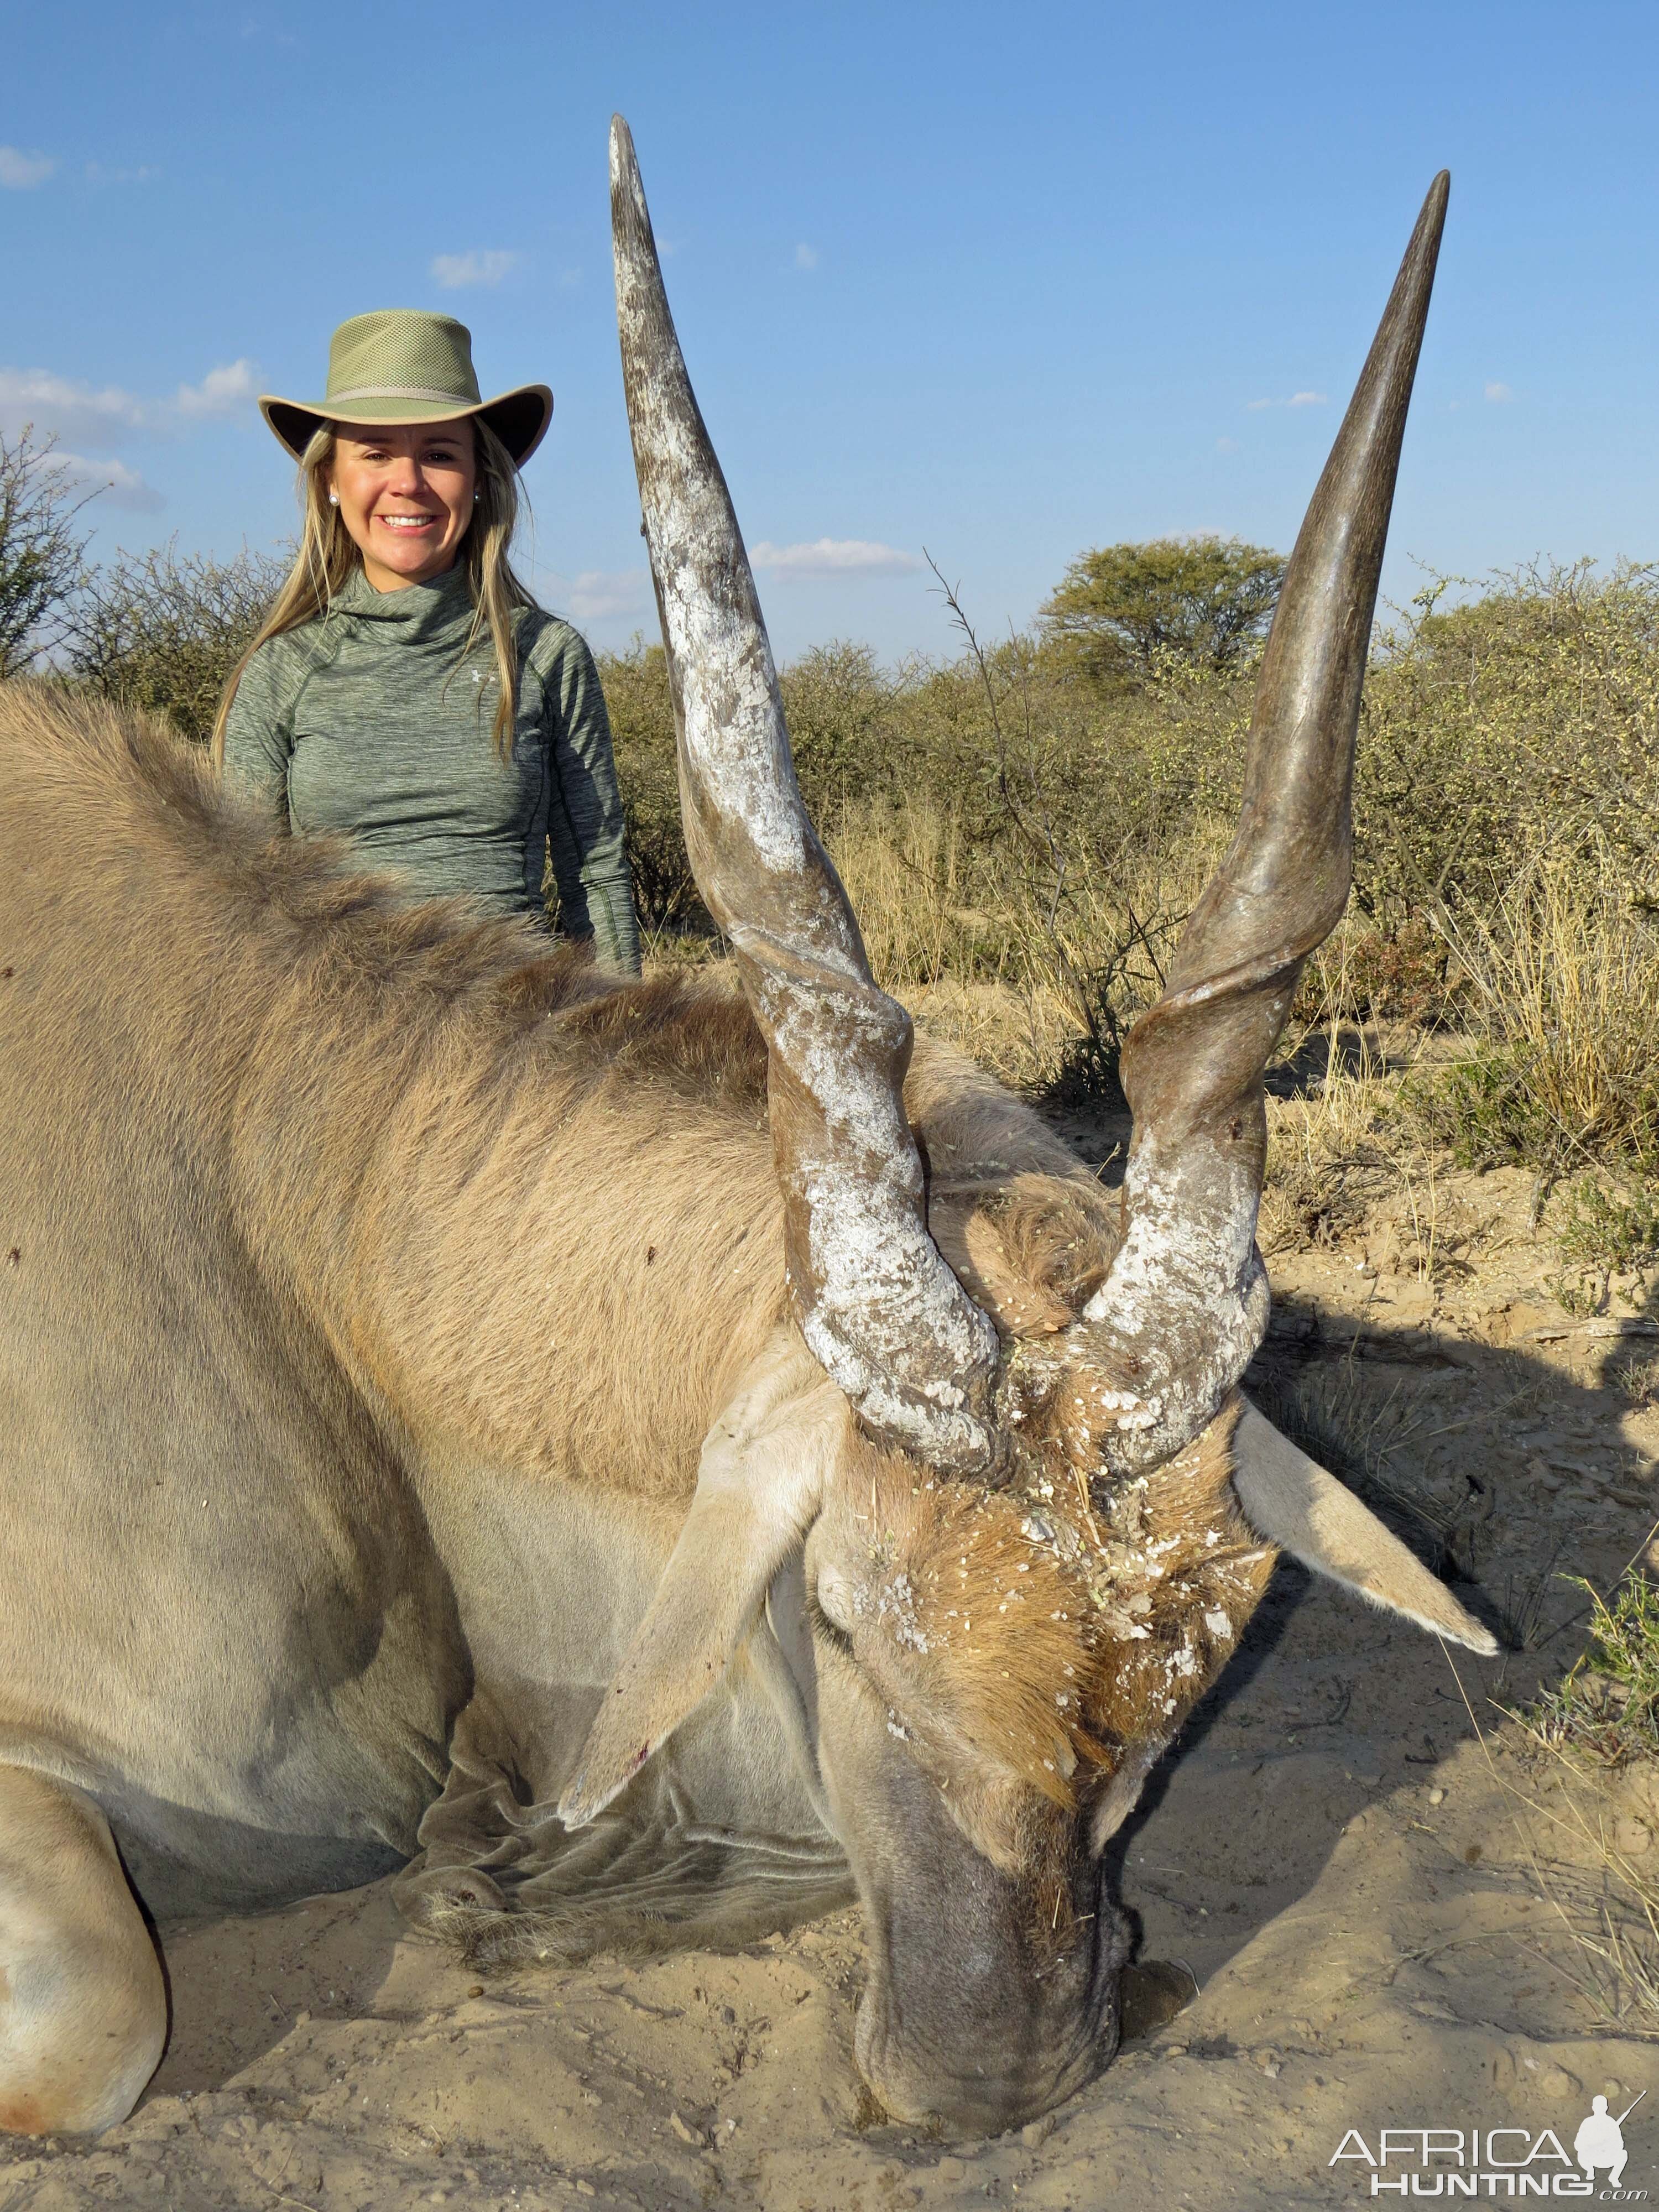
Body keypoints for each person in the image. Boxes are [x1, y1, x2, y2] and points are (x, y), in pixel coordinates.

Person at [214, 309, 641, 976]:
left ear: (479, 476)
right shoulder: (282, 669)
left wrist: (621, 1042)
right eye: (375, 451)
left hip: (513, 1039)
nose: (408, 483)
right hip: (332, 1040)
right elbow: (237, 900)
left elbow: (597, 869)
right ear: (330, 477)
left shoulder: (546, 654)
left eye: (440, 453)